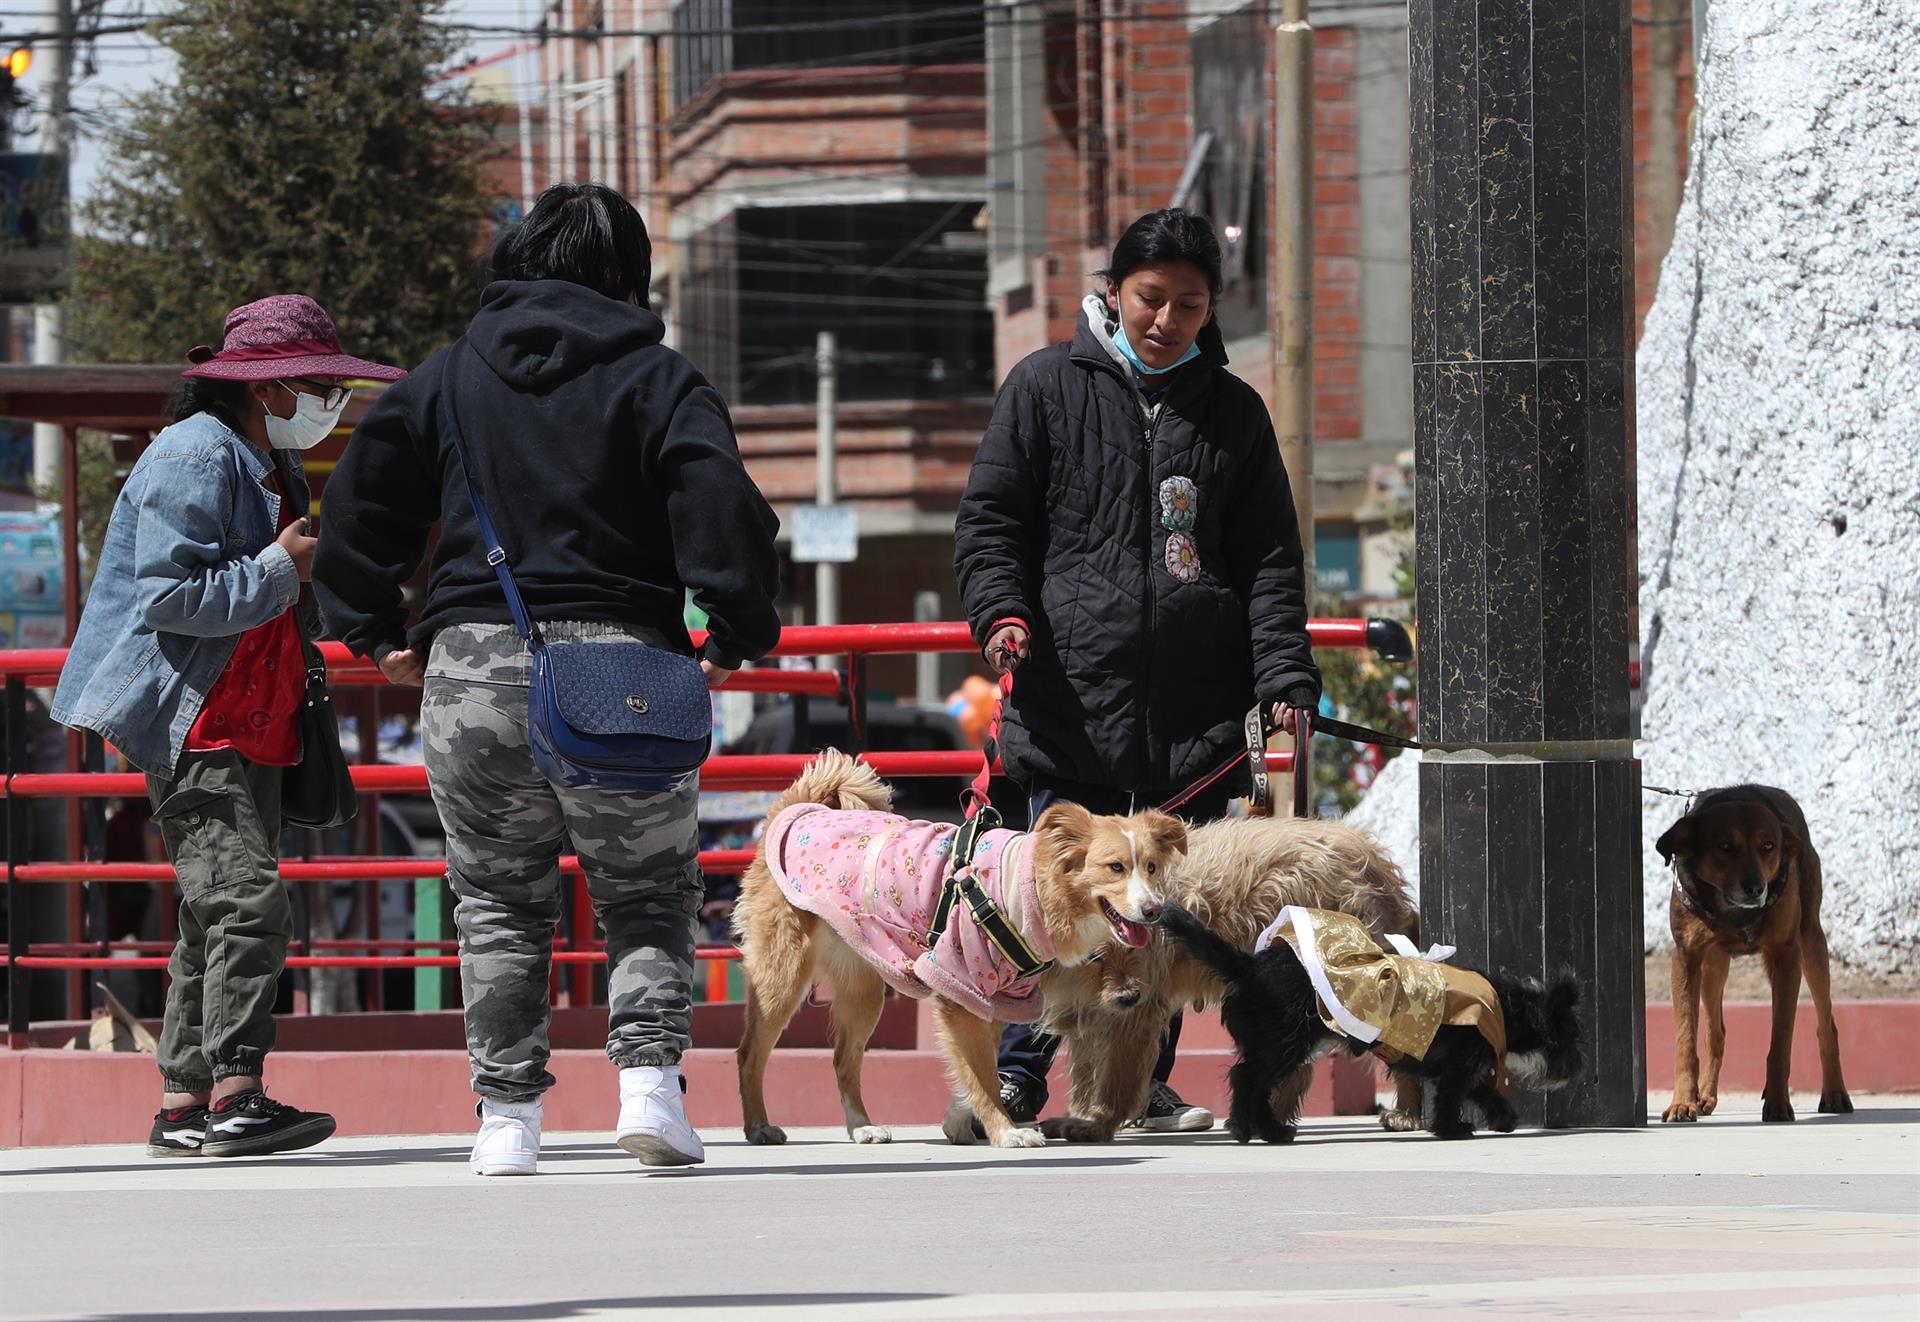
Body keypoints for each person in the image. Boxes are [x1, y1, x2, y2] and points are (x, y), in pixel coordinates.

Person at [314, 183, 781, 1176]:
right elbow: (722, 507)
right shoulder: (660, 379)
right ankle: (650, 1089)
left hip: (472, 671)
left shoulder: (446, 378)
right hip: (626, 668)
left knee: (495, 896)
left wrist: (374, 630)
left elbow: (358, 508)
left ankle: (507, 1120)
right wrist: (736, 626)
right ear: (625, 276)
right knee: (647, 890)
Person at [953, 208, 1321, 1131]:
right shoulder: (1043, 386)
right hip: (1069, 706)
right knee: (1054, 905)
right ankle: (1018, 1078)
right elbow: (992, 522)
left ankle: (1139, 1082)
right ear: (1114, 290)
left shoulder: (1234, 412)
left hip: (1193, 720)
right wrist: (1001, 614)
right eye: (1151, 298)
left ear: (1211, 311)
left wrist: (1284, 675)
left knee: (1154, 912)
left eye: (1189, 306)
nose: (1166, 320)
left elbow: (1271, 560)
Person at [52, 294, 406, 1158]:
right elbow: (171, 598)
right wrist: (280, 567)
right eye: (318, 386)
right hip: (197, 722)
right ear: (268, 388)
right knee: (247, 901)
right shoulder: (196, 454)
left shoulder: (262, 459)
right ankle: (238, 1094)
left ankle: (182, 1105)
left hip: (251, 719)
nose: (330, 403)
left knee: (211, 914)